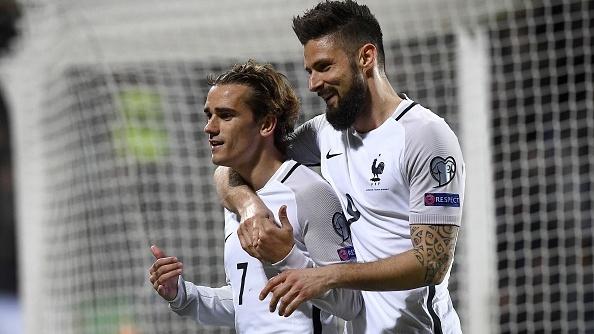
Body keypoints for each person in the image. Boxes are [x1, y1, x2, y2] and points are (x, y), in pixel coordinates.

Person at [214, 1, 465, 333]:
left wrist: (329, 274)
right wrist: (248, 206)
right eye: (309, 72)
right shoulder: (326, 132)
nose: (313, 84)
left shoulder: (424, 135)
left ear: (366, 57)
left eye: (324, 67)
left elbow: (432, 263)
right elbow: (240, 161)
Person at [148, 60, 362, 334]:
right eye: (208, 115)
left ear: (266, 124)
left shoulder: (310, 193)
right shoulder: (236, 199)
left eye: (225, 116)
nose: (209, 128)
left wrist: (287, 256)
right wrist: (182, 295)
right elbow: (249, 300)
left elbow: (351, 303)